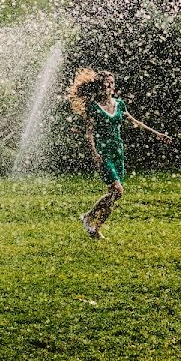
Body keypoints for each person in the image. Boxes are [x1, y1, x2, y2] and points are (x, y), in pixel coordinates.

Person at [67, 68, 171, 239]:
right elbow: (89, 132)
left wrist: (157, 134)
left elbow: (135, 122)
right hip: (103, 152)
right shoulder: (93, 107)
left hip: (118, 151)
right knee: (117, 190)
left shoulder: (119, 104)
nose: (109, 86)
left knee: (114, 194)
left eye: (111, 83)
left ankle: (94, 225)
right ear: (99, 86)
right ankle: (89, 218)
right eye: (105, 83)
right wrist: (94, 153)